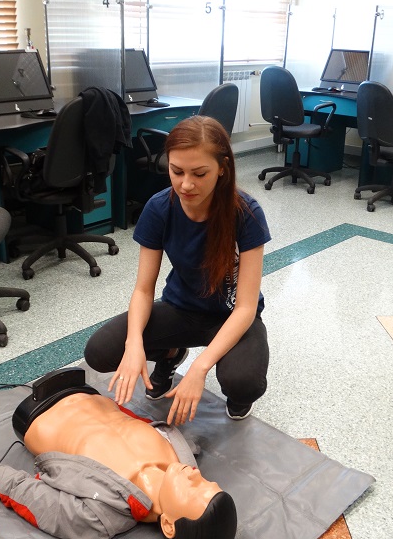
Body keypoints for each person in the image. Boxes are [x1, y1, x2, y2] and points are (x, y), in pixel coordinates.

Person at [0, 367, 238, 539]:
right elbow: (134, 421)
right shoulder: (182, 453)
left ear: (169, 524)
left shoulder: (99, 515)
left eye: (195, 490)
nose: (197, 476)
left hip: (34, 413)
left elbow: (21, 492)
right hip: (87, 392)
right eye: (208, 482)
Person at [84, 115, 271, 425]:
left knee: (243, 382)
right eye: (177, 171)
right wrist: (134, 344)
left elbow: (245, 308)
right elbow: (143, 289)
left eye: (199, 173)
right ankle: (171, 354)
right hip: (181, 309)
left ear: (222, 168)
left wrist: (199, 369)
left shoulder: (246, 213)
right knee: (101, 351)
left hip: (231, 315)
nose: (186, 184)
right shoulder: (159, 208)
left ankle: (238, 393)